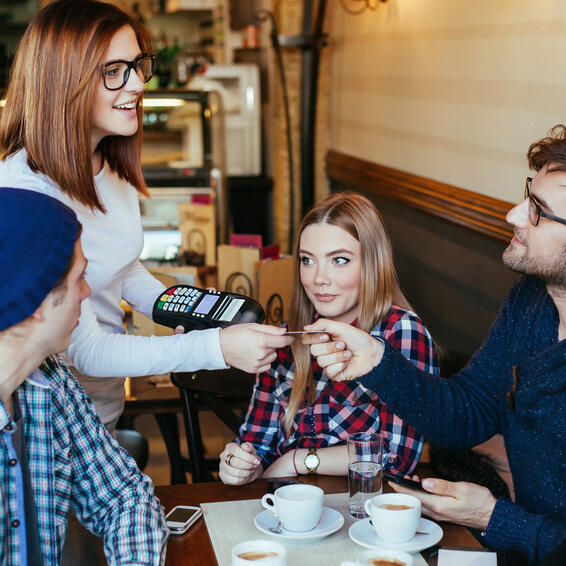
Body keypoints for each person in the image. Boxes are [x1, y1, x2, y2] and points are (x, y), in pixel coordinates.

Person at [0, 0, 293, 430]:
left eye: (138, 65)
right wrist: (214, 346)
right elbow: (86, 349)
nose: (137, 84)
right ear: (64, 81)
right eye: (115, 71)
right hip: (47, 426)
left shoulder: (106, 163)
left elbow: (118, 263)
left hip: (102, 408)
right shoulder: (26, 194)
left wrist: (170, 307)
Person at [304, 127, 566, 564]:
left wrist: (492, 516)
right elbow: (467, 414)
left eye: (539, 211)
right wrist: (377, 362)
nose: (513, 215)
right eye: (527, 196)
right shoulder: (532, 299)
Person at [219, 193, 437, 485]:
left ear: (372, 264)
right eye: (307, 260)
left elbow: (396, 456)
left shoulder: (401, 333)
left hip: (363, 508)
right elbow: (257, 442)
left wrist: (299, 460)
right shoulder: (287, 338)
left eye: (339, 260)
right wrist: (240, 463)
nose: (319, 277)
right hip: (289, 508)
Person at [0, 188, 168, 565]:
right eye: (80, 278)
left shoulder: (52, 382)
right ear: (38, 298)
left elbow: (124, 496)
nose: (88, 291)